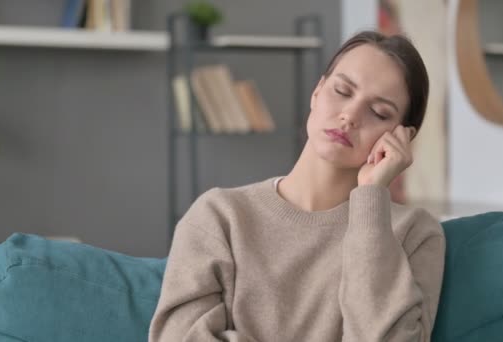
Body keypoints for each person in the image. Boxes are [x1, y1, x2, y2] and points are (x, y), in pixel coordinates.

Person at [149, 30, 445, 342]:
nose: (350, 116)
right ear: (317, 92)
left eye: (379, 112)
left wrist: (371, 199)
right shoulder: (218, 216)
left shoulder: (415, 234)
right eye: (342, 91)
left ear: (402, 138)